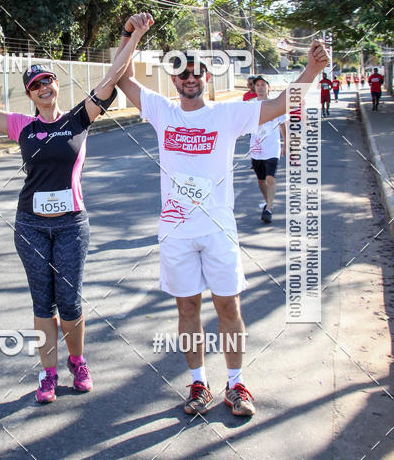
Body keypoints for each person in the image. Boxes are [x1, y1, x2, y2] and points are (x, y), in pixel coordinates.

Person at [0, 12, 154, 404]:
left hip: (72, 225)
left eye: (47, 81)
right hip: (30, 226)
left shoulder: (80, 117)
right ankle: (48, 373)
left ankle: (77, 361)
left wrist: (134, 36)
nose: (43, 88)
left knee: (70, 301)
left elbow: (113, 76)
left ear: (56, 85)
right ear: (30, 95)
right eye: (35, 86)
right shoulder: (21, 127)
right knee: (43, 303)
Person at [117, 41, 329, 419]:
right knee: (187, 308)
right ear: (174, 79)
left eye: (197, 72)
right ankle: (199, 383)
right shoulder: (162, 111)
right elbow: (123, 77)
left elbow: (282, 104)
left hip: (218, 230)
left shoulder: (228, 114)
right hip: (177, 232)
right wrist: (129, 34)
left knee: (229, 306)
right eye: (182, 73)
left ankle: (236, 383)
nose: (190, 78)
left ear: (207, 77)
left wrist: (312, 70)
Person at [248, 76, 287, 225]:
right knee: (261, 181)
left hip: (272, 148)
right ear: (254, 88)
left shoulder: (275, 105)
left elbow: (283, 124)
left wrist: (286, 143)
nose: (260, 87)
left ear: (268, 87)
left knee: (270, 178)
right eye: (257, 85)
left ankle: (269, 209)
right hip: (256, 149)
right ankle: (268, 202)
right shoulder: (250, 106)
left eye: (263, 84)